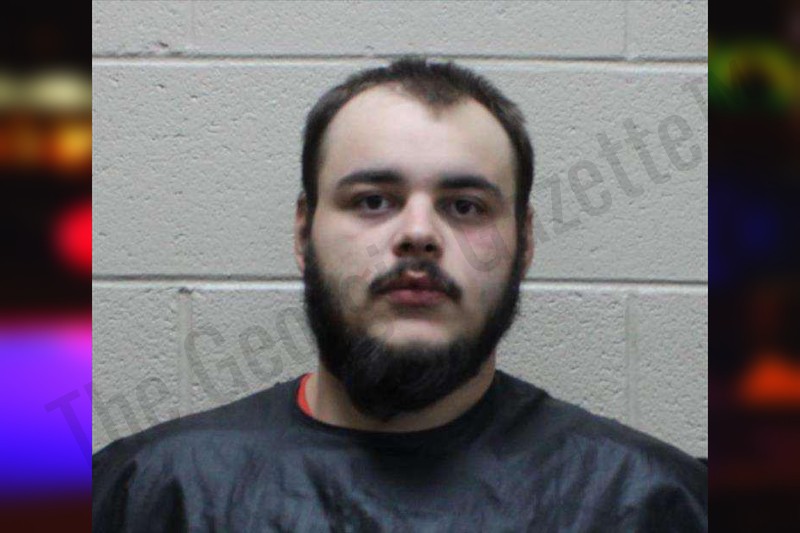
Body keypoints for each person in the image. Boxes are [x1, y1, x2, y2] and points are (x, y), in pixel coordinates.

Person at [92, 57, 707, 531]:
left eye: (465, 207)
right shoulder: (149, 493)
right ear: (304, 233)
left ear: (524, 243)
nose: (418, 234)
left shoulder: (650, 501)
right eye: (372, 201)